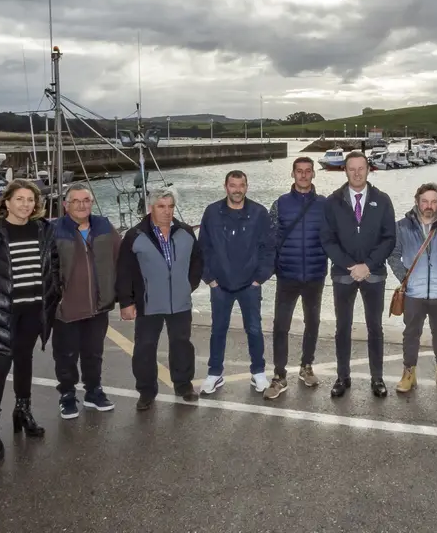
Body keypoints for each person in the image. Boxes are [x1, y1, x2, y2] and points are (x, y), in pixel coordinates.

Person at [0, 179, 61, 461]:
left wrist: (54, 293)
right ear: (7, 202)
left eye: (30, 200)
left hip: (34, 309)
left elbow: (53, 266)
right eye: (19, 199)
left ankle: (23, 410)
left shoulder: (44, 229)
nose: (25, 205)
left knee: (25, 361)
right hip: (3, 312)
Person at [320, 151, 396, 398]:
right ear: (345, 170)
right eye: (351, 168)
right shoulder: (332, 202)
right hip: (344, 274)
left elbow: (389, 238)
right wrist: (350, 265)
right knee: (343, 327)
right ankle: (343, 377)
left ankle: (377, 378)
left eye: (361, 168)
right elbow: (327, 240)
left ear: (368, 169)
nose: (356, 173)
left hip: (374, 274)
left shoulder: (382, 200)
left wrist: (369, 265)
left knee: (375, 327)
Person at [117, 189, 203, 408]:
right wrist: (126, 302)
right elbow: (124, 271)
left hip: (180, 303)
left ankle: (183, 385)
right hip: (149, 303)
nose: (167, 211)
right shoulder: (135, 235)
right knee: (145, 347)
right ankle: (146, 391)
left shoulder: (185, 232)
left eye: (170, 206)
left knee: (181, 344)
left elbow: (197, 263)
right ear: (150, 208)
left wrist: (187, 286)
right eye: (161, 206)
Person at [199, 170, 275, 395]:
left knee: (254, 328)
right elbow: (202, 247)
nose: (237, 190)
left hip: (249, 285)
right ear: (225, 187)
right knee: (218, 329)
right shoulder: (212, 212)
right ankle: (214, 373)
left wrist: (259, 278)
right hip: (220, 285)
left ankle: (258, 372)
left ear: (247, 187)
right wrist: (209, 279)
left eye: (241, 185)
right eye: (233, 185)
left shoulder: (259, 213)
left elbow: (269, 249)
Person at [51, 182, 122, 420]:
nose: (82, 205)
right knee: (66, 355)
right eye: (76, 201)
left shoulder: (103, 226)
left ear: (91, 203)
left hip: (98, 307)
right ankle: (68, 395)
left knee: (94, 353)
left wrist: (124, 296)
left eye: (86, 200)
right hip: (66, 309)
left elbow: (121, 258)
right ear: (65, 205)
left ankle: (93, 391)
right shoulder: (54, 230)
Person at [388, 183, 437, 393]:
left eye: (433, 201)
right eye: (425, 201)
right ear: (417, 201)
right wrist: (405, 277)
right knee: (411, 334)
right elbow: (393, 254)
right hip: (414, 293)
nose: (429, 205)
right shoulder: (402, 226)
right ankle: (408, 373)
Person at [264, 157, 328, 399]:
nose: (303, 175)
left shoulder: (325, 204)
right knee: (281, 325)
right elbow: (271, 239)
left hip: (315, 274)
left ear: (313, 175)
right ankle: (279, 375)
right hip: (287, 275)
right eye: (299, 171)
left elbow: (332, 236)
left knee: (313, 322)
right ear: (293, 174)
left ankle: (306, 366)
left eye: (308, 171)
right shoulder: (280, 204)